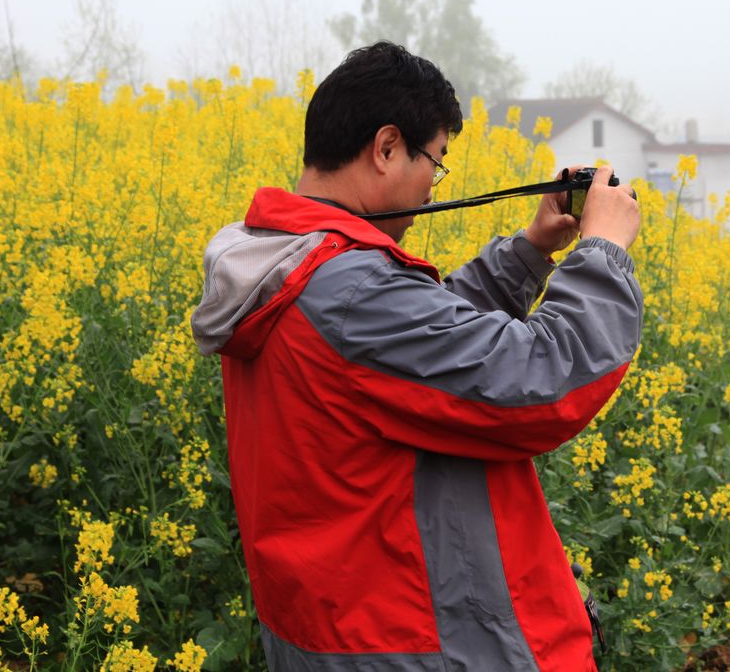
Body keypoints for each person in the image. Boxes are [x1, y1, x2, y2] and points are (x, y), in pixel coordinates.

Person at [191, 41, 643, 671]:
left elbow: (419, 351)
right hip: (420, 646)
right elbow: (542, 380)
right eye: (435, 161)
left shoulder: (289, 267)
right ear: (385, 148)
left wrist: (531, 252)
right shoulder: (352, 295)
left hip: (339, 638)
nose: (432, 190)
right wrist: (603, 251)